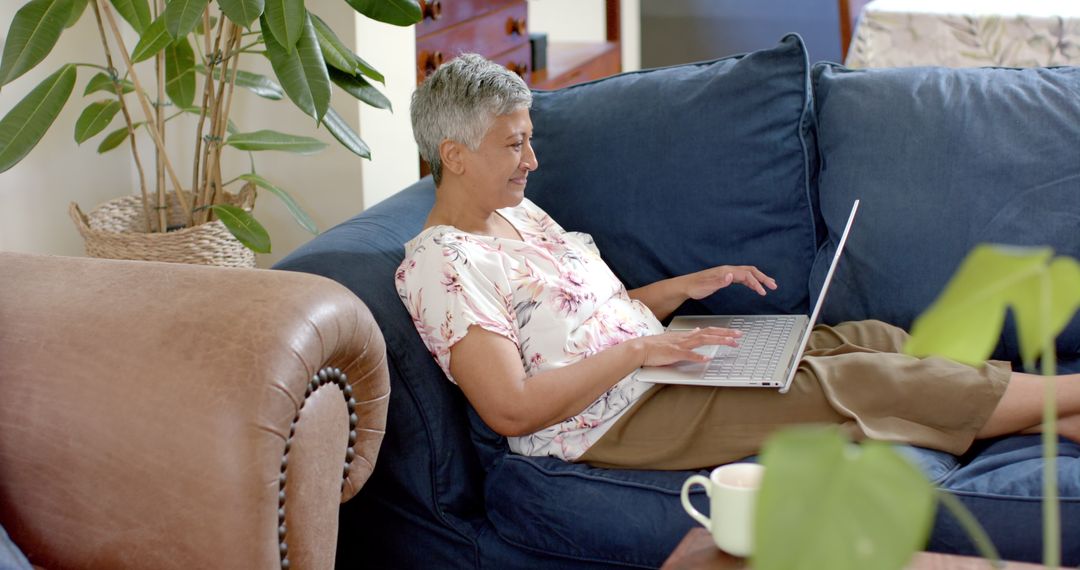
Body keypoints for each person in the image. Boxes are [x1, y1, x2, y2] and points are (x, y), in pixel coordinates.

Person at [395, 53, 1080, 470]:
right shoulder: (444, 264)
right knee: (863, 382)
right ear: (454, 155)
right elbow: (512, 409)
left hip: (649, 370)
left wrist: (687, 287)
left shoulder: (517, 214)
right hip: (614, 420)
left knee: (869, 340)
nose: (532, 161)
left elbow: (585, 316)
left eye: (529, 140)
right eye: (514, 145)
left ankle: (1056, 414)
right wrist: (641, 353)